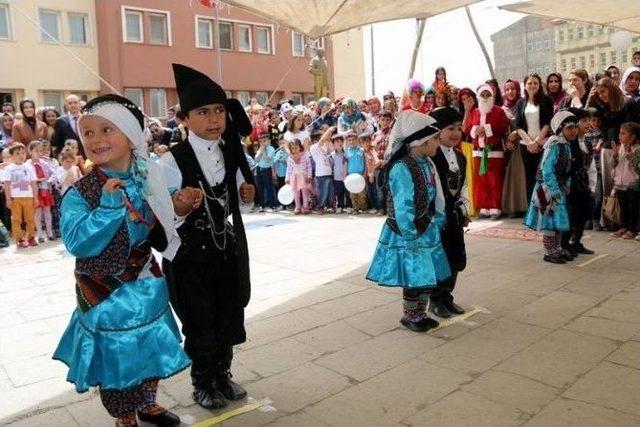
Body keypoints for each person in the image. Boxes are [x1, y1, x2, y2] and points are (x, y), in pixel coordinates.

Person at [52, 94, 189, 427]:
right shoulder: (81, 192)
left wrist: (180, 206)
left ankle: (148, 403)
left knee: (151, 345)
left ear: (130, 136)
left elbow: (161, 221)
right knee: (118, 355)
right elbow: (77, 242)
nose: (95, 139)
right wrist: (109, 209)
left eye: (105, 130)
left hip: (146, 279)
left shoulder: (148, 177)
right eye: (88, 133)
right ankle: (124, 415)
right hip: (105, 291)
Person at [160, 64, 256, 410]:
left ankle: (222, 375)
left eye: (219, 110)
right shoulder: (170, 161)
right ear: (185, 118)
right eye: (203, 112)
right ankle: (203, 382)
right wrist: (180, 206)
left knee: (228, 313)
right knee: (199, 320)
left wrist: (246, 194)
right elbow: (160, 215)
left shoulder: (231, 150)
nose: (214, 119)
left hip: (224, 250)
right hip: (189, 256)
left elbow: (238, 193)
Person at [366, 110, 450, 332]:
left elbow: (436, 194)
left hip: (426, 226)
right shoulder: (401, 167)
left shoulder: (426, 163)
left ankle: (420, 312)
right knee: (414, 275)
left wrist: (439, 217)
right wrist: (410, 234)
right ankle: (411, 315)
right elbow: (403, 205)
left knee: (425, 275)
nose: (438, 144)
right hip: (409, 231)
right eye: (435, 140)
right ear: (420, 140)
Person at [428, 106, 469, 318]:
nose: (455, 133)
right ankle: (435, 298)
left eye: (459, 128)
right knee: (439, 257)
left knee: (455, 255)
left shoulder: (461, 157)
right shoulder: (431, 158)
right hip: (436, 217)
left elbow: (463, 186)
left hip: (453, 215)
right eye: (450, 128)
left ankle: (447, 295)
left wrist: (464, 208)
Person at [523, 111, 576, 264]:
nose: (573, 131)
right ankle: (549, 251)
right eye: (569, 128)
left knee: (557, 219)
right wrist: (554, 189)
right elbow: (547, 169)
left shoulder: (565, 145)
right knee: (549, 219)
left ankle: (557, 248)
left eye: (575, 127)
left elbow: (567, 169)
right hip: (546, 188)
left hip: (557, 187)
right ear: (560, 129)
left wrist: (566, 184)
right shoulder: (554, 145)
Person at [465, 84, 510, 219]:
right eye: (483, 95)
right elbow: (468, 128)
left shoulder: (499, 111)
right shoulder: (474, 113)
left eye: (488, 95)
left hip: (494, 153)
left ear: (492, 96)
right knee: (481, 181)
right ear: (479, 97)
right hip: (478, 152)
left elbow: (503, 126)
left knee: (494, 180)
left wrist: (487, 128)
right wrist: (475, 130)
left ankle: (495, 207)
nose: (485, 98)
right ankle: (484, 207)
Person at [561, 108, 595, 256]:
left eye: (589, 120)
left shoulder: (587, 141)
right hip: (571, 184)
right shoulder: (569, 143)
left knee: (583, 212)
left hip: (583, 183)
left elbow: (591, 165)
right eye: (583, 121)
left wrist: (592, 185)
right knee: (571, 214)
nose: (588, 124)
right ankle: (563, 244)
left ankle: (576, 242)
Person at [515, 73, 554, 200]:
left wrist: (536, 142)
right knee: (530, 178)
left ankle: (544, 209)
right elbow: (518, 126)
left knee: (543, 177)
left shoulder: (547, 100)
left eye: (535, 83)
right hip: (525, 146)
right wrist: (529, 143)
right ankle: (531, 212)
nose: (532, 85)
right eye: (529, 83)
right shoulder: (521, 102)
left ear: (539, 85)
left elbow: (548, 123)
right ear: (525, 86)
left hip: (543, 144)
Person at [3, 143, 38, 248]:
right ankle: (19, 239)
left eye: (23, 153)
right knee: (16, 219)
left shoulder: (29, 167)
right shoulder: (9, 168)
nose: (21, 155)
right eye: (17, 153)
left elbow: (33, 183)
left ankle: (31, 237)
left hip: (28, 197)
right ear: (12, 156)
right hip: (15, 198)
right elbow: (7, 185)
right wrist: (8, 199)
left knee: (30, 219)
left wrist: (36, 198)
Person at [502, 78, 528, 217]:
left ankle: (525, 206)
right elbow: (500, 128)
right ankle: (515, 207)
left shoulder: (523, 104)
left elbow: (527, 123)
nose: (510, 92)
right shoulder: (503, 108)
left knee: (523, 174)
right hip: (510, 147)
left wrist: (516, 133)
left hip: (523, 142)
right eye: (507, 89)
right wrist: (507, 140)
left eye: (513, 88)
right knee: (513, 176)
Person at [610, 122, 640, 240]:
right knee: (623, 207)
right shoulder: (620, 147)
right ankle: (624, 227)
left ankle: (632, 229)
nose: (620, 135)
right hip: (620, 183)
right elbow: (613, 165)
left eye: (623, 133)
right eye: (619, 133)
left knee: (633, 208)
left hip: (632, 183)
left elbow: (638, 167)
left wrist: (629, 153)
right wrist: (615, 155)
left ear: (632, 137)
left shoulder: (637, 149)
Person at [26, 140, 55, 242]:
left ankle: (50, 233)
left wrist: (48, 181)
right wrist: (33, 181)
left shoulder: (45, 163)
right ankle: (40, 234)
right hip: (35, 191)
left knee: (47, 211)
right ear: (30, 151)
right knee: (37, 213)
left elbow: (53, 174)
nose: (38, 153)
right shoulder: (27, 165)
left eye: (40, 151)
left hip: (45, 189)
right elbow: (25, 177)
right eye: (36, 150)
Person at [458, 87, 478, 217]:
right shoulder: (461, 113)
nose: (466, 101)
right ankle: (469, 206)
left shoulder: (479, 111)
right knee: (468, 177)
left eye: (468, 98)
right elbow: (463, 130)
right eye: (463, 99)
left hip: (477, 146)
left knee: (477, 176)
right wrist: (466, 111)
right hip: (465, 147)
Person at [309, 126, 335, 213]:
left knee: (330, 191)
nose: (325, 139)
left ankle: (330, 206)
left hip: (328, 172)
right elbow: (323, 140)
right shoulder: (314, 148)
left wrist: (329, 135)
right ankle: (320, 206)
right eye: (323, 137)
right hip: (321, 174)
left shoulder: (324, 148)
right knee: (322, 191)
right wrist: (329, 130)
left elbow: (327, 141)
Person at [285, 139, 312, 214]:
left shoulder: (305, 155)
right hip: (294, 177)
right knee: (296, 193)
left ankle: (305, 207)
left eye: (296, 148)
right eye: (293, 148)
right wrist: (287, 178)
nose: (295, 150)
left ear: (300, 147)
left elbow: (309, 166)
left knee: (304, 192)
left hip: (303, 176)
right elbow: (289, 168)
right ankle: (298, 207)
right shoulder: (290, 157)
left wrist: (309, 176)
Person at [344, 130, 367, 214]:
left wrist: (365, 173)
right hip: (351, 175)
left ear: (357, 140)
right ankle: (355, 208)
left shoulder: (361, 150)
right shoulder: (346, 151)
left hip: (360, 174)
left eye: (353, 139)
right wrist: (346, 175)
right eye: (349, 140)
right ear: (347, 142)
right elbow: (346, 164)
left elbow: (365, 162)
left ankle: (363, 207)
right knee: (352, 193)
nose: (352, 142)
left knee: (362, 193)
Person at [254, 131, 277, 212]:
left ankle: (273, 205)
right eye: (261, 141)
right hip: (259, 169)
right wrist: (260, 151)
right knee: (260, 188)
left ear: (269, 141)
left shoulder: (271, 149)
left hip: (267, 170)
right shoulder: (260, 149)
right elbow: (256, 159)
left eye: (265, 141)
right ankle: (262, 205)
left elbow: (267, 159)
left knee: (269, 187)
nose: (263, 143)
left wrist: (263, 151)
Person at [331, 133, 348, 213]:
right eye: (337, 141)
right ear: (333, 144)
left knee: (347, 192)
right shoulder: (332, 155)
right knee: (339, 192)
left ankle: (348, 206)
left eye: (341, 141)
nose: (340, 143)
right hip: (337, 178)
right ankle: (340, 206)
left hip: (346, 177)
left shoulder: (346, 153)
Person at [362, 132, 379, 213]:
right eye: (363, 142)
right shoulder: (364, 151)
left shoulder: (372, 150)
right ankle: (373, 207)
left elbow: (376, 162)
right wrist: (365, 174)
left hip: (373, 174)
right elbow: (366, 163)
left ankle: (377, 207)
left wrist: (372, 174)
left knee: (375, 191)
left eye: (367, 141)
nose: (366, 143)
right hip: (368, 174)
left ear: (370, 141)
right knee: (370, 191)